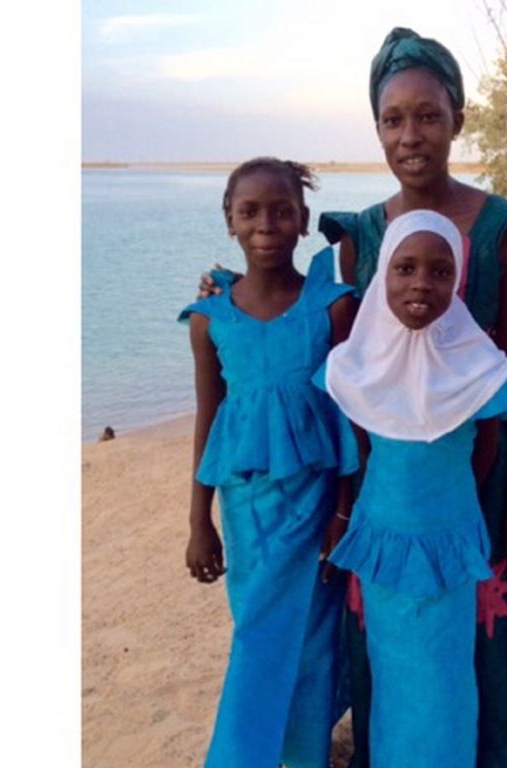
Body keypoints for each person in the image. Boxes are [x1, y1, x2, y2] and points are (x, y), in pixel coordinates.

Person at [317, 27, 507, 768]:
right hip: (391, 491)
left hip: (483, 470)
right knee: (405, 641)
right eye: (392, 120)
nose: (410, 136)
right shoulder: (361, 236)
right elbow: (350, 363)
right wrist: (222, 287)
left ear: (458, 119)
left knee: (490, 632)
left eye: (428, 116)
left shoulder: (506, 232)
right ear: (377, 127)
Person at [315, 209, 507, 768]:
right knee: (392, 673)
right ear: (382, 274)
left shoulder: (477, 366)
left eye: (441, 271)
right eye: (405, 268)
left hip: (450, 541)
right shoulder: (356, 366)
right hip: (383, 540)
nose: (422, 283)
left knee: (445, 680)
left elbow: (486, 446)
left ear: (457, 280)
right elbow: (360, 448)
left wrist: (454, 504)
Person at [179, 157, 359, 768]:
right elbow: (208, 419)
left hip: (316, 507)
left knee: (313, 641)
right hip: (245, 511)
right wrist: (198, 522)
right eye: (249, 211)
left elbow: (347, 416)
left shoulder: (332, 308)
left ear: (304, 220)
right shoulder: (210, 319)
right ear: (228, 220)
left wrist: (342, 512)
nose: (265, 224)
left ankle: (301, 755)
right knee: (256, 633)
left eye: (282, 211)